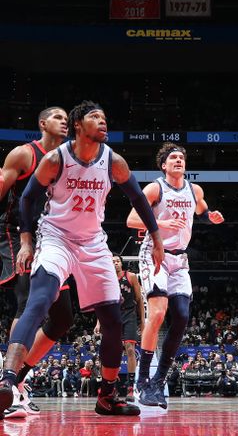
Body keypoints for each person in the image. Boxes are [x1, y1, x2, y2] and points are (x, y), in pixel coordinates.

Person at [0, 100, 164, 416]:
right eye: (95, 117)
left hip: (92, 244)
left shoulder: (113, 161)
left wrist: (156, 238)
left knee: (114, 320)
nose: (103, 121)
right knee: (40, 301)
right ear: (79, 125)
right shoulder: (54, 159)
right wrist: (25, 241)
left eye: (105, 117)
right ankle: (8, 380)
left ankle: (107, 396)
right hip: (56, 239)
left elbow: (138, 199)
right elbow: (28, 199)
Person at [129, 142, 224, 409]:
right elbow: (132, 219)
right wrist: (160, 223)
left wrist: (211, 216)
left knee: (181, 316)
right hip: (155, 252)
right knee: (158, 313)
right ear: (163, 165)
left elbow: (202, 211)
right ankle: (142, 382)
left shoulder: (195, 190)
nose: (178, 160)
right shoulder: (155, 188)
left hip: (180, 259)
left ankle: (159, 381)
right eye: (173, 157)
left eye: (181, 157)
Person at [0, 107, 77, 418]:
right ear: (42, 123)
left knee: (63, 318)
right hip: (19, 234)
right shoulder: (23, 154)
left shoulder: (69, 158)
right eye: (58, 116)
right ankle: (7, 383)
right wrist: (23, 241)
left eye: (66, 118)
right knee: (26, 304)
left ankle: (17, 379)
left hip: (54, 238)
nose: (64, 121)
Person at [95, 255, 144, 399]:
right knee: (112, 352)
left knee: (130, 349)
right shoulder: (106, 279)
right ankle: (111, 386)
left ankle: (130, 387)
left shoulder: (131, 276)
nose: (115, 263)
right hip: (113, 314)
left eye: (117, 261)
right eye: (112, 261)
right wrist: (98, 322)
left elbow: (139, 299)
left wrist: (142, 321)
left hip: (129, 314)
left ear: (121, 263)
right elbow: (102, 302)